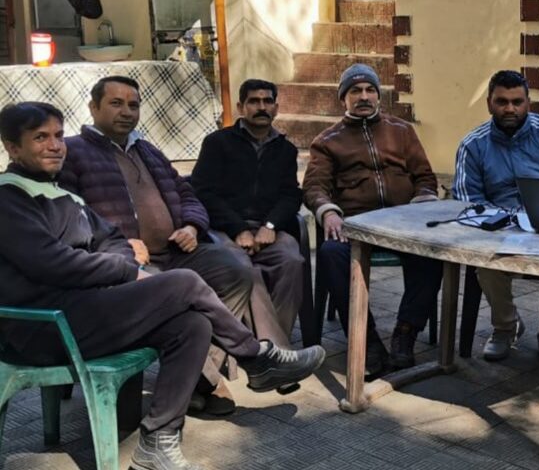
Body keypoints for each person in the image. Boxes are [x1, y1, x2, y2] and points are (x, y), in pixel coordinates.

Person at [0, 102, 325, 470]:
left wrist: (118, 264)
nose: (55, 145)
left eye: (58, 136)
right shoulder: (9, 197)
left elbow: (114, 241)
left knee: (192, 325)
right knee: (184, 282)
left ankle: (158, 439)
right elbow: (53, 263)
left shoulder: (64, 195)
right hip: (43, 327)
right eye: (40, 138)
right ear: (12, 147)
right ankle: (256, 357)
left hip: (85, 313)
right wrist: (123, 271)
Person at [58, 75, 252, 414]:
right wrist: (116, 244)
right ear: (93, 107)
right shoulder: (73, 152)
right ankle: (206, 381)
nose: (127, 112)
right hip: (126, 262)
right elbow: (68, 211)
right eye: (116, 103)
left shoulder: (147, 150)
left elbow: (187, 194)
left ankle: (196, 375)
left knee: (236, 270)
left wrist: (191, 226)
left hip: (176, 252)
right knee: (175, 293)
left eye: (133, 105)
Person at [303, 64, 443, 375]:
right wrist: (328, 211)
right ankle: (366, 341)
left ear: (379, 96)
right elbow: (314, 187)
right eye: (355, 91)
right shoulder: (327, 141)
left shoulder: (402, 131)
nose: (364, 96)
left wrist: (423, 200)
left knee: (434, 255)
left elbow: (425, 177)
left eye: (370, 90)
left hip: (403, 224)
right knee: (330, 253)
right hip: (356, 227)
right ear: (343, 99)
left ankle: (405, 333)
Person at [452, 70, 539, 368]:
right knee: (484, 263)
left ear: (529, 102)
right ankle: (506, 326)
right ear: (489, 103)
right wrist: (502, 222)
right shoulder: (473, 145)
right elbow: (466, 201)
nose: (510, 109)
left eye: (517, 102)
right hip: (497, 230)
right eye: (502, 102)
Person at [192, 79, 304, 348]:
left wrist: (271, 225)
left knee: (292, 261)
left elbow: (291, 195)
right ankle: (274, 350)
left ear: (276, 108)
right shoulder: (218, 143)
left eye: (267, 101)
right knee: (243, 269)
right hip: (223, 229)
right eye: (254, 101)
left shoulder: (285, 150)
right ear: (241, 107)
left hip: (268, 231)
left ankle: (271, 346)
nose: (261, 107)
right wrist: (238, 229)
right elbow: (203, 192)